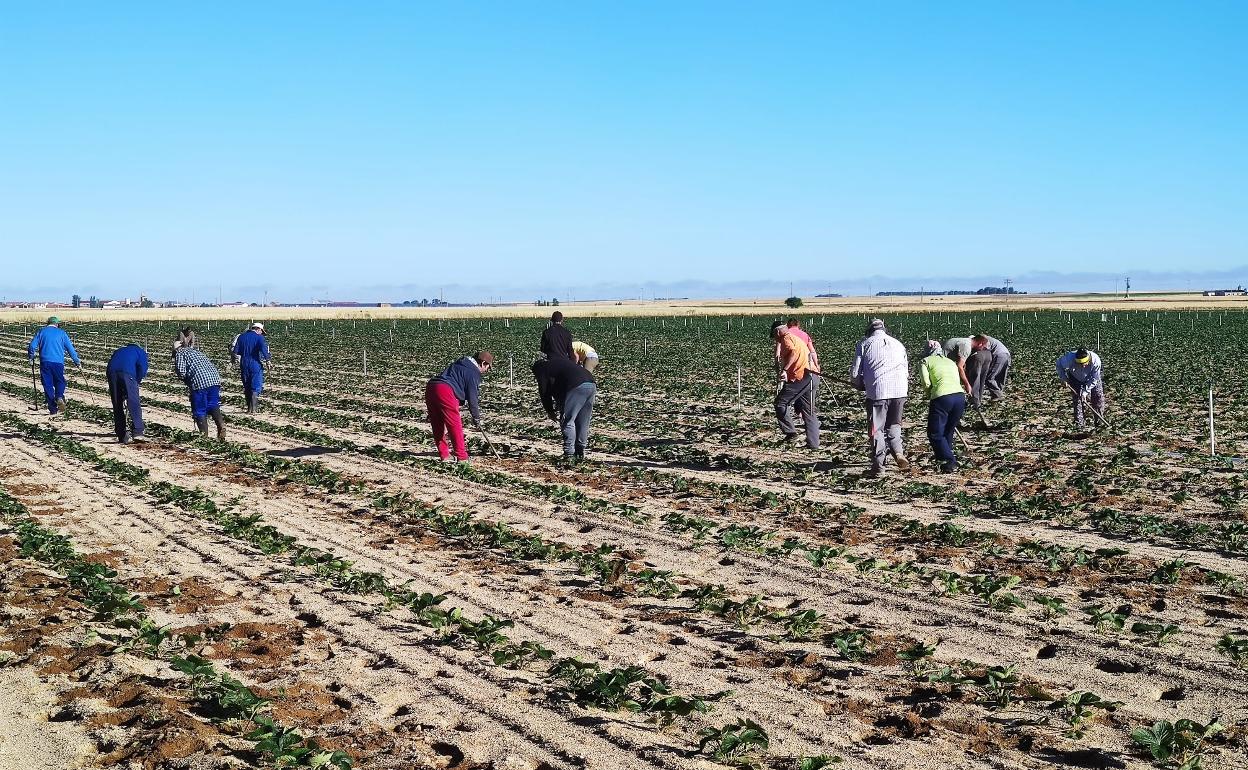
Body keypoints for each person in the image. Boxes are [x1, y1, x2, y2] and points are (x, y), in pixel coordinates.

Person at [850, 318, 909, 476]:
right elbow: (906, 370)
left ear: (869, 330)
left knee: (877, 430)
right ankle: (899, 453)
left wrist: (859, 384)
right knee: (895, 425)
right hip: (900, 390)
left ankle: (878, 467)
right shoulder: (898, 344)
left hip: (878, 392)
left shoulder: (865, 344)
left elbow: (855, 373)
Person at [426, 351, 494, 463]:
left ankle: (444, 455)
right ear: (482, 363)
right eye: (487, 367)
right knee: (455, 424)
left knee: (437, 424)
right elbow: (473, 398)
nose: (486, 371)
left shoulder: (460, 364)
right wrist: (476, 417)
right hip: (445, 390)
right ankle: (462, 457)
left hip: (432, 387)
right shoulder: (473, 372)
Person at [532, 356, 596, 462]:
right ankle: (580, 452)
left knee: (568, 420)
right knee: (583, 421)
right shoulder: (557, 364)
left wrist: (550, 411)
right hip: (591, 383)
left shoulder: (541, 370)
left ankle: (569, 454)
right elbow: (559, 387)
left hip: (576, 385)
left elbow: (544, 393)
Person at [772, 321, 820, 449]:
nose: (775, 339)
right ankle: (813, 444)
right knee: (808, 411)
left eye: (774, 336)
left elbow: (793, 352)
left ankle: (790, 433)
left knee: (780, 403)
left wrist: (785, 370)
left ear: (777, 332)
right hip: (813, 375)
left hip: (801, 377)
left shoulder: (786, 339)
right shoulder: (796, 338)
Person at [920, 341, 966, 472]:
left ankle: (950, 460)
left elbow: (926, 382)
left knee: (934, 433)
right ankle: (944, 461)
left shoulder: (925, 361)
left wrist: (929, 394)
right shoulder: (950, 361)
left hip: (942, 397)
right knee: (948, 431)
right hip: (959, 397)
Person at [172, 333, 227, 440]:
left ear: (176, 349)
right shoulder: (196, 351)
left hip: (199, 381)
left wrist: (184, 380)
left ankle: (204, 436)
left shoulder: (179, 353)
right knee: (212, 404)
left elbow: (182, 372)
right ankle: (221, 424)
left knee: (199, 409)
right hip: (214, 378)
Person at [27, 316, 81, 416]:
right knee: (60, 381)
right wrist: (77, 362)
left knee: (47, 384)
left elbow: (32, 346)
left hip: (45, 362)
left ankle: (53, 409)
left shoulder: (42, 332)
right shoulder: (62, 333)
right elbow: (71, 349)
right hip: (58, 363)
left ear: (48, 323)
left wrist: (31, 357)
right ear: (57, 324)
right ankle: (59, 396)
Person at [105, 344, 149, 444]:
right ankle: (138, 431)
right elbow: (142, 369)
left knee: (117, 403)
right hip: (127, 372)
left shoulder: (120, 350)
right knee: (133, 402)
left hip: (111, 372)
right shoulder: (140, 352)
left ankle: (121, 434)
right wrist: (136, 381)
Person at [1057, 348, 1104, 429]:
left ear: (1089, 359)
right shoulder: (1068, 358)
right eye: (1080, 364)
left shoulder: (1096, 361)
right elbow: (1059, 364)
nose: (1083, 366)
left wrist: (1085, 392)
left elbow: (1094, 379)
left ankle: (1099, 422)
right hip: (1075, 377)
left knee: (1098, 398)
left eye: (1085, 363)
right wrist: (1064, 378)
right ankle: (1079, 424)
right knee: (1078, 400)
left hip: (1091, 377)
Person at [231, 322, 271, 413]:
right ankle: (254, 410)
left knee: (247, 386)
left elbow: (235, 352)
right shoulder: (259, 337)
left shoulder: (241, 337)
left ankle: (249, 409)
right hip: (255, 363)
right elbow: (264, 349)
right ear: (258, 329)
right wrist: (268, 360)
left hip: (244, 363)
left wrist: (233, 361)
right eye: (261, 331)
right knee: (255, 387)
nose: (262, 333)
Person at [970, 334, 1012, 404]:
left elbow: (984, 349)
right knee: (1000, 377)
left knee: (989, 377)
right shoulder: (987, 339)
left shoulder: (984, 341)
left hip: (999, 355)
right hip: (1006, 355)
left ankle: (998, 394)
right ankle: (996, 396)